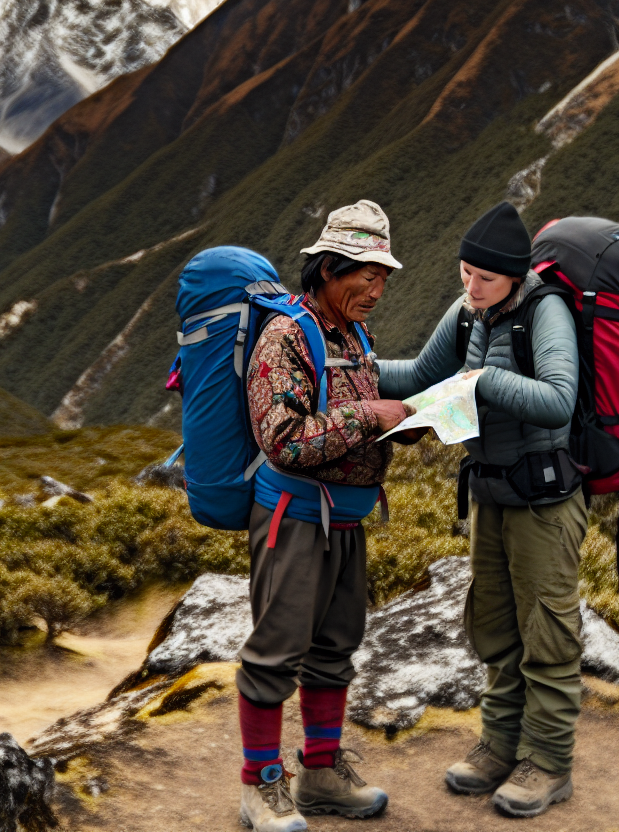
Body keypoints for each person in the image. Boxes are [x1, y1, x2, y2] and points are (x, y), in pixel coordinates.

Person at [379, 202, 582, 820]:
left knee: (546, 630)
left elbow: (558, 400)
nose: (471, 288)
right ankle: (499, 745)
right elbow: (418, 373)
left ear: (515, 277)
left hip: (544, 499)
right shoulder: (468, 311)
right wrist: (345, 370)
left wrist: (478, 385)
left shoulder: (545, 313)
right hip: (489, 493)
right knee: (494, 623)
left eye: (485, 278)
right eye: (464, 273)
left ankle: (548, 763)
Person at [236, 201, 416, 832]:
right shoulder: (285, 337)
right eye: (365, 274)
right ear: (329, 269)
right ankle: (261, 784)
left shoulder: (354, 336)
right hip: (293, 517)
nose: (376, 288)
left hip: (345, 519)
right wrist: (371, 417)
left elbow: (349, 418)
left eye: (383, 276)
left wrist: (407, 423)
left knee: (336, 647)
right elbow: (282, 439)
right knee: (277, 649)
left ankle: (319, 771)